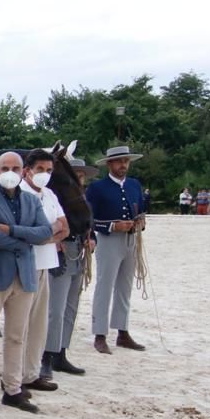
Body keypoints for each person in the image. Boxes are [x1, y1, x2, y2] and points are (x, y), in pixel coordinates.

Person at [0, 152, 54, 414]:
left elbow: (46, 232)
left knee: (17, 336)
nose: (10, 172)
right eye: (5, 167)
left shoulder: (30, 199)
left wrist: (13, 231)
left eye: (15, 168)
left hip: (23, 274)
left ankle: (13, 388)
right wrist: (27, 240)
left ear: (24, 171)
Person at [18, 149, 69, 395]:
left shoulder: (49, 194)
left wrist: (45, 234)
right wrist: (49, 233)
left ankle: (31, 372)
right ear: (28, 170)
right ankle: (15, 374)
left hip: (46, 264)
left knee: (39, 324)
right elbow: (28, 232)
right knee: (20, 325)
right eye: (40, 169)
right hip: (25, 264)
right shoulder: (20, 193)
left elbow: (64, 228)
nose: (45, 175)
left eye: (49, 170)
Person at [87, 146, 147, 353]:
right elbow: (89, 219)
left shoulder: (134, 185)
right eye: (119, 161)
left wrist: (140, 222)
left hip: (131, 240)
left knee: (125, 286)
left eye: (126, 161)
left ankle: (122, 331)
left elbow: (140, 209)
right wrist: (112, 225)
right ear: (110, 164)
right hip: (108, 240)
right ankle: (100, 333)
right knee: (105, 285)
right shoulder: (97, 188)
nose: (123, 165)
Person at [40, 158, 96, 379]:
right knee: (55, 307)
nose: (79, 177)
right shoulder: (55, 196)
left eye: (81, 174)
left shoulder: (80, 197)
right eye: (76, 174)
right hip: (60, 251)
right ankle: (47, 354)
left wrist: (93, 239)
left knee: (71, 306)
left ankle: (61, 351)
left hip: (78, 250)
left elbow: (89, 222)